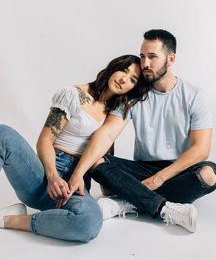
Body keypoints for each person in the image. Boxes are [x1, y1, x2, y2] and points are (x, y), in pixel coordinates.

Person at [72, 29, 216, 233]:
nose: (145, 64)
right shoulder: (134, 96)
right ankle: (164, 209)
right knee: (95, 160)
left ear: (171, 59)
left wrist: (159, 178)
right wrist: (79, 172)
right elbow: (106, 133)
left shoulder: (194, 96)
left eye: (152, 57)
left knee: (210, 174)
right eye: (142, 56)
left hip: (179, 169)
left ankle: (129, 201)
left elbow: (201, 149)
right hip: (141, 168)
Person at [0, 54, 148, 242]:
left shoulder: (115, 117)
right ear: (113, 67)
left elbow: (102, 158)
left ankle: (11, 220)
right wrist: (53, 176)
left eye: (132, 79)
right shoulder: (74, 95)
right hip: (43, 175)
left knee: (90, 222)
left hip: (74, 186)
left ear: (133, 88)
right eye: (124, 70)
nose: (123, 79)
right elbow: (45, 140)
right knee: (3, 134)